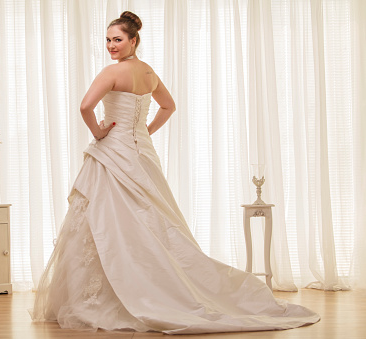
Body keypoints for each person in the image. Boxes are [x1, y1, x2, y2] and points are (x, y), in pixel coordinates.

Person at [30, 11, 320, 334]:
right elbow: (169, 106)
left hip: (113, 154)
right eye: (109, 40)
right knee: (148, 225)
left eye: (118, 39)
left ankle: (110, 294)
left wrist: (99, 133)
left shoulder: (112, 73)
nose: (112, 45)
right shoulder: (149, 73)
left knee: (109, 224)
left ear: (133, 40)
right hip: (141, 157)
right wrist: (145, 130)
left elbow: (85, 106)